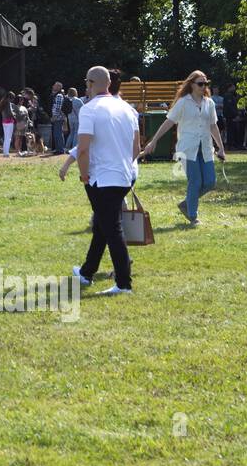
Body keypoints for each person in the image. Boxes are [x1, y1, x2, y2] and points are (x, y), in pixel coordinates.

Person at [71, 66, 140, 295]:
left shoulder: (89, 110)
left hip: (101, 178)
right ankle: (86, 272)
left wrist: (83, 174)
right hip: (124, 175)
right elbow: (136, 148)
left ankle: (124, 283)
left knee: (112, 229)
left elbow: (83, 148)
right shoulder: (128, 109)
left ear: (90, 83)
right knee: (103, 224)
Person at [143, 71, 226, 226]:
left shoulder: (210, 103)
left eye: (205, 83)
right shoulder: (183, 102)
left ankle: (186, 203)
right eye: (200, 84)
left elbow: (213, 126)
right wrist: (153, 141)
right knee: (195, 182)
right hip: (187, 148)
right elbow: (168, 122)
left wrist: (221, 148)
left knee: (209, 182)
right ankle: (193, 216)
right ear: (191, 85)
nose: (203, 87)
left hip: (206, 148)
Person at [48, 82, 66, 154]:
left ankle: (60, 150)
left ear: (59, 87)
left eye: (55, 85)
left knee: (58, 134)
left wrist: (54, 117)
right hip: (57, 117)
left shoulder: (59, 95)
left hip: (58, 118)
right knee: (57, 133)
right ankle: (58, 149)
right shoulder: (56, 95)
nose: (53, 86)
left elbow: (58, 107)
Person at [1, 93, 16, 157]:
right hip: (9, 121)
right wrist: (15, 117)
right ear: (10, 98)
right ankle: (6, 153)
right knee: (9, 138)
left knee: (6, 137)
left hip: (4, 122)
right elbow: (10, 112)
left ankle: (5, 152)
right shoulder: (8, 103)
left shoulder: (2, 102)